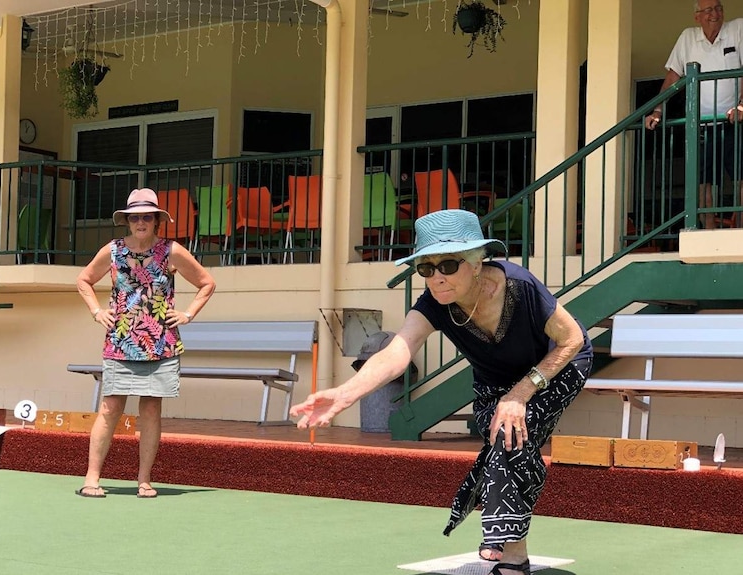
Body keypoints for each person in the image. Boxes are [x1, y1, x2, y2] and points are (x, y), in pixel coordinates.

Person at [290, 209, 593, 575]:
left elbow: (572, 338)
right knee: (507, 441)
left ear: (478, 262)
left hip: (556, 365)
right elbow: (398, 350)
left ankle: (512, 558)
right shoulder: (434, 303)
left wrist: (521, 393)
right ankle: (504, 527)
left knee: (513, 432)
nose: (436, 277)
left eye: (448, 265)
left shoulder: (520, 286)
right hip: (494, 383)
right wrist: (345, 393)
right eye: (426, 268)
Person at [75, 188, 216, 498]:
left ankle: (144, 480)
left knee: (151, 410)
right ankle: (92, 479)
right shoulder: (112, 251)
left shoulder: (172, 251)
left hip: (160, 341)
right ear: (127, 221)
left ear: (156, 221)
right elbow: (84, 279)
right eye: (135, 217)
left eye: (146, 217)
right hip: (120, 339)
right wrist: (97, 311)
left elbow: (207, 283)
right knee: (110, 407)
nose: (140, 222)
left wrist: (188, 314)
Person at [645, 1, 743, 228]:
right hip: (702, 126)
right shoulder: (688, 38)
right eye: (708, 10)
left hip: (735, 122)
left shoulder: (737, 29)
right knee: (703, 182)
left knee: (741, 178)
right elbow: (673, 77)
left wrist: (741, 105)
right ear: (697, 17)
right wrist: (658, 109)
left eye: (718, 8)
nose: (715, 14)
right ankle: (707, 234)